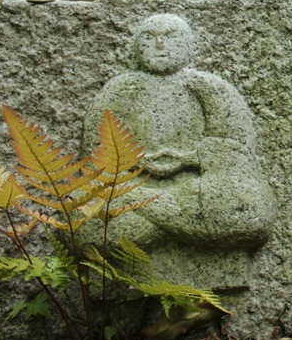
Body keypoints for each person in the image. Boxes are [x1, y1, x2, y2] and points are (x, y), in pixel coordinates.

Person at [82, 13, 275, 251]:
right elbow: (97, 152)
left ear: (189, 45)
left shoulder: (208, 87)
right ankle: (181, 224)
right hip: (134, 186)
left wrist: (187, 159)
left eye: (171, 37)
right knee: (87, 225)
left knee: (244, 212)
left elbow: (234, 152)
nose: (160, 45)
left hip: (195, 192)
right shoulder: (121, 89)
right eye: (149, 38)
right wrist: (136, 161)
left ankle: (161, 212)